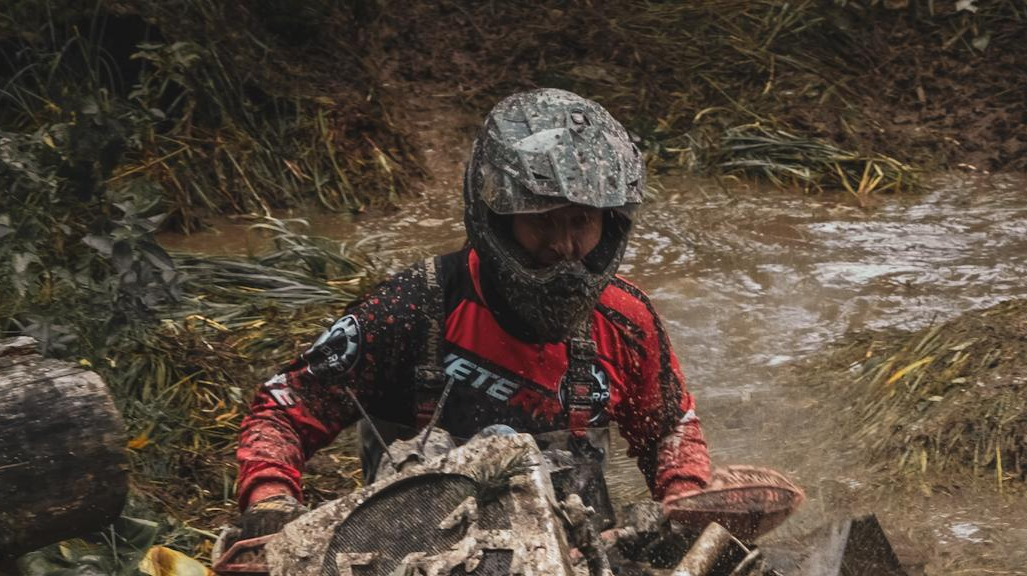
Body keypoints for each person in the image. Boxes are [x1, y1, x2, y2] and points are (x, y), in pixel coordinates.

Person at [231, 88, 711, 545]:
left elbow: (670, 426)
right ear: (496, 217)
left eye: (582, 221)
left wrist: (683, 496)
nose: (564, 247)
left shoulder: (626, 321)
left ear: (610, 223)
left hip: (584, 559)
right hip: (416, 566)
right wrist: (271, 498)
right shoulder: (410, 308)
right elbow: (286, 409)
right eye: (543, 220)